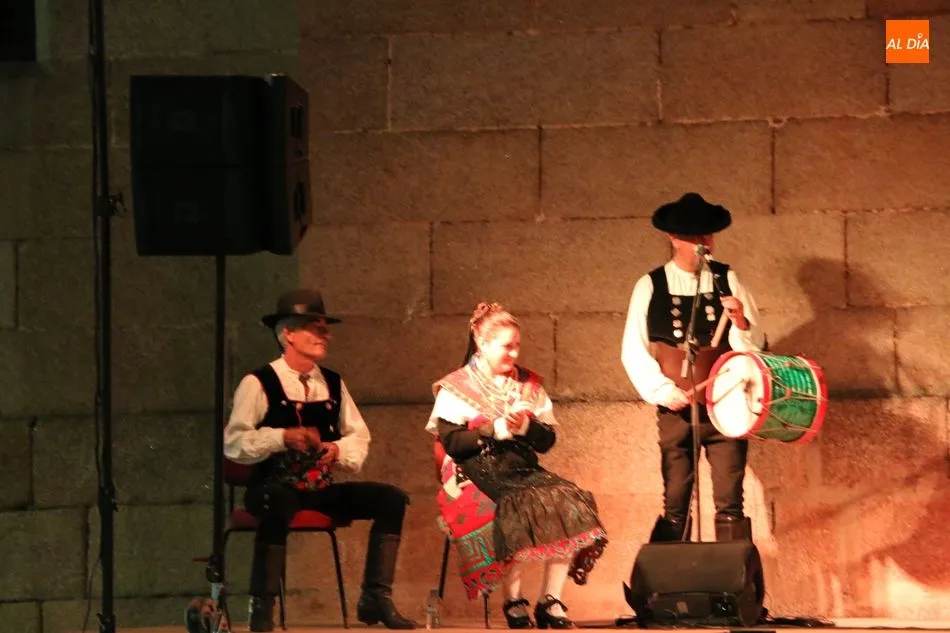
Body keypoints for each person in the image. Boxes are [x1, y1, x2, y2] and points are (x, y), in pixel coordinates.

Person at [224, 289, 416, 631]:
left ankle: (375, 597)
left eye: (325, 328)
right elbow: (234, 442)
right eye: (316, 328)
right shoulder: (259, 382)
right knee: (277, 502)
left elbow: (359, 434)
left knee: (391, 499)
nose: (326, 335)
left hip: (317, 488)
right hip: (270, 486)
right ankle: (262, 607)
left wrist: (337, 449)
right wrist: (281, 438)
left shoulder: (332, 383)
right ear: (288, 334)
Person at [426, 302, 608, 629]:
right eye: (506, 346)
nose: (513, 353)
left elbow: (546, 441)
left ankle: (550, 601)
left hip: (520, 467)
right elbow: (452, 442)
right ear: (482, 344)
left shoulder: (528, 384)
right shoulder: (458, 386)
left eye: (517, 346)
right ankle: (513, 600)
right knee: (516, 504)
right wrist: (496, 428)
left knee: (568, 497)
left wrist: (525, 426)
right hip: (476, 467)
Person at [620, 192, 767, 543]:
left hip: (725, 403)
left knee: (730, 500)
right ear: (675, 239)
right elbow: (632, 348)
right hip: (677, 407)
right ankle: (674, 570)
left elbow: (754, 345)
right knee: (676, 499)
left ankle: (733, 573)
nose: (706, 244)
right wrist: (661, 390)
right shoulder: (650, 285)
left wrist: (741, 322)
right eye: (696, 237)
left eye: (708, 236)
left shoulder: (728, 280)